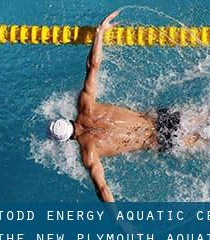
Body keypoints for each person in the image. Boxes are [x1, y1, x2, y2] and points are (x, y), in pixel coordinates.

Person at [48, 11, 200, 202]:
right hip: (162, 118)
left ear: (66, 140)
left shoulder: (89, 152)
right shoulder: (85, 105)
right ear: (66, 119)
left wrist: (122, 223)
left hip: (161, 140)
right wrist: (99, 33)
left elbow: (102, 189)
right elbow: (93, 66)